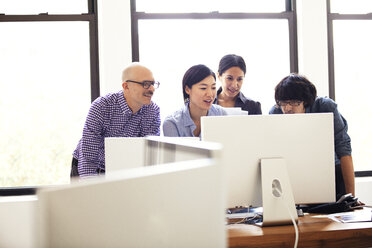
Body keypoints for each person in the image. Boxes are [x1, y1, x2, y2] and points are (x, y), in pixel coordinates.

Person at [269, 73, 355, 199]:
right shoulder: (276, 112)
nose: (287, 108)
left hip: (332, 173)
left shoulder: (325, 107)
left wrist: (351, 197)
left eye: (293, 102)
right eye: (283, 102)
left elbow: (344, 150)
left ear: (306, 101)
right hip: (295, 173)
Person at [72, 63, 161, 178]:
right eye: (145, 84)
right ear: (126, 86)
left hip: (122, 170)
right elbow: (88, 157)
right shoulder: (102, 106)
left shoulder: (152, 111)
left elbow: (147, 155)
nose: (152, 89)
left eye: (153, 84)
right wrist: (90, 191)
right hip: (90, 166)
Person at [163, 64, 227, 137]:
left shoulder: (222, 115)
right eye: (203, 88)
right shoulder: (172, 123)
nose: (210, 94)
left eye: (213, 88)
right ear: (187, 89)